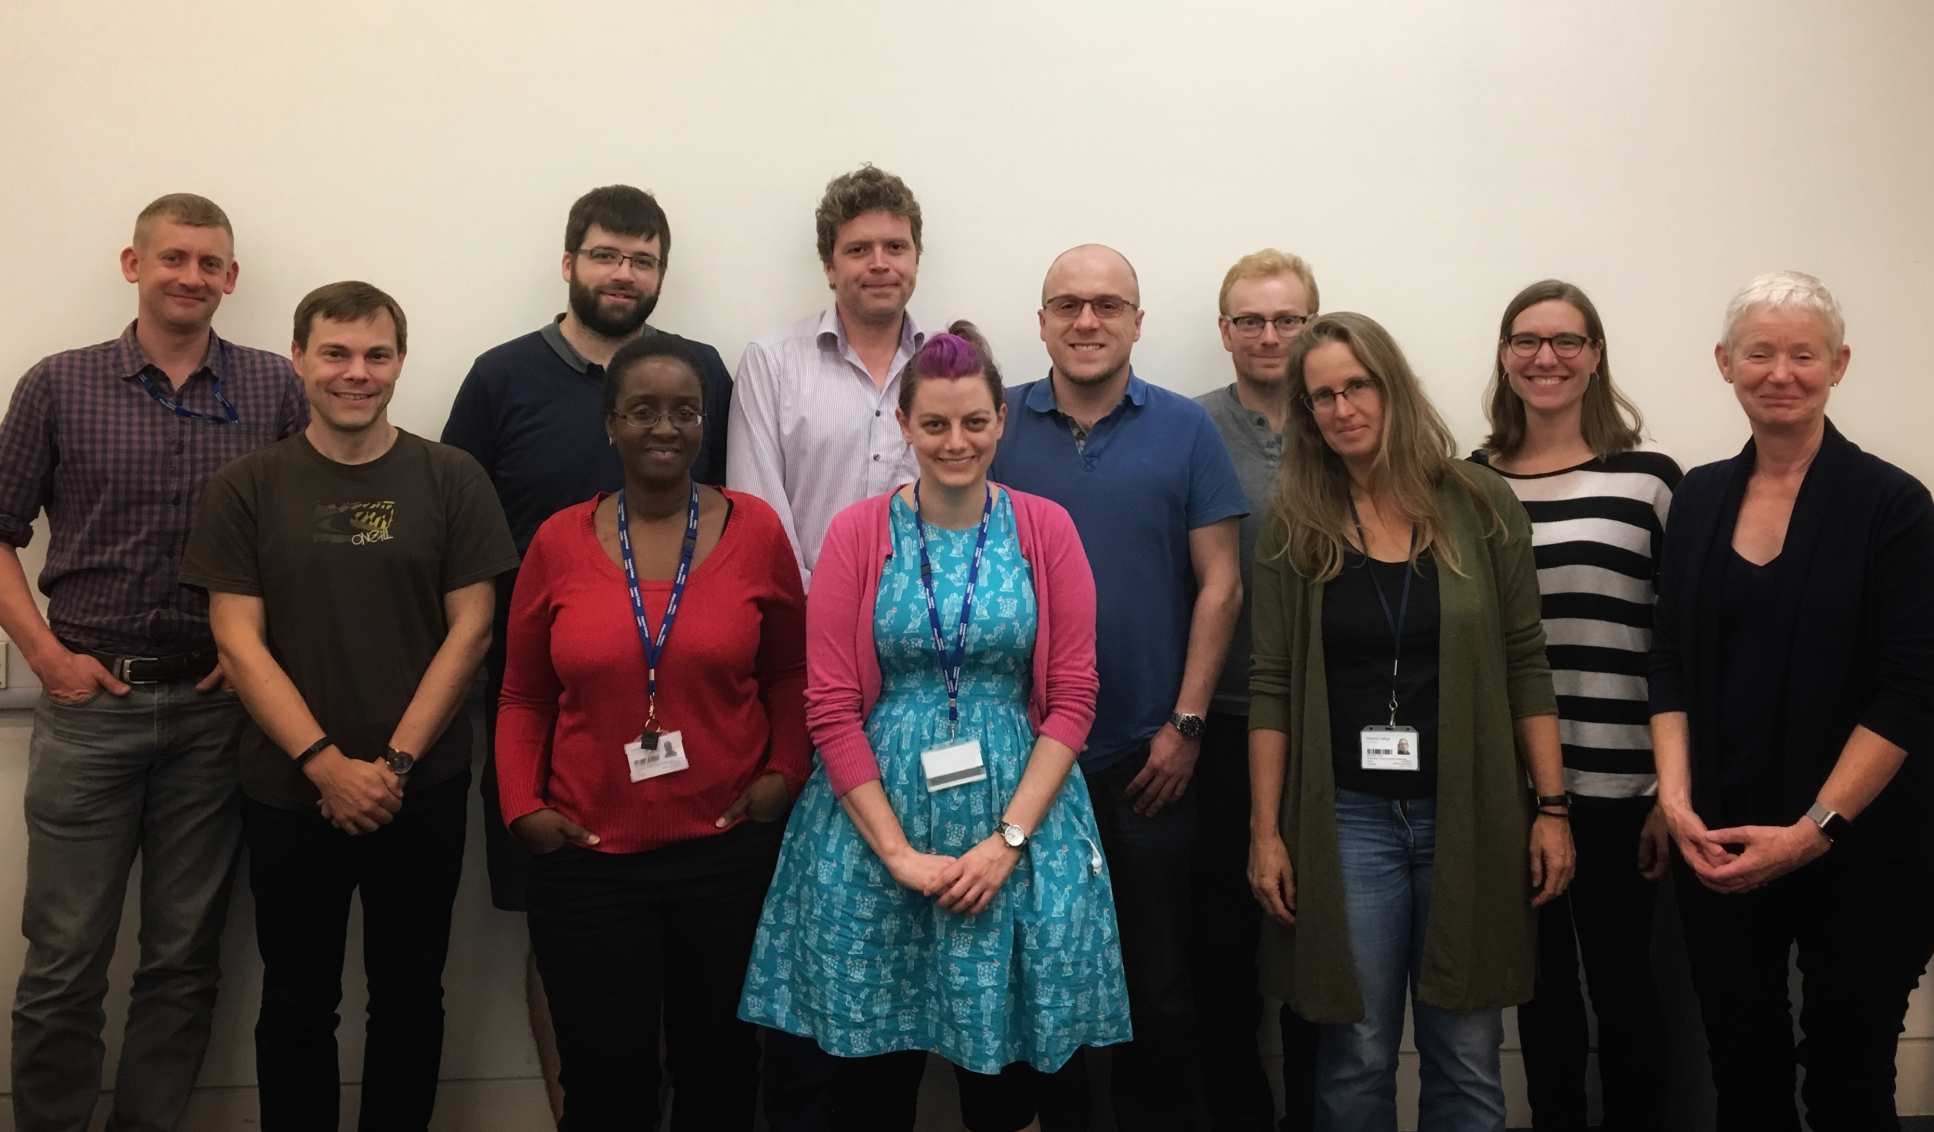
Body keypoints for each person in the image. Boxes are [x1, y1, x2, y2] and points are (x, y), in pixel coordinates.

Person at [740, 331, 1131, 1132]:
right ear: (904, 427)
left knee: (1010, 1078)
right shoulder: (857, 533)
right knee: (867, 1082)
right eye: (937, 426)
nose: (957, 443)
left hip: (1021, 831)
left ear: (1000, 424)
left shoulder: (1045, 528)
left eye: (976, 423)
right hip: (871, 834)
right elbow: (830, 705)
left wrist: (1006, 843)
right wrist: (898, 856)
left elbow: (1073, 700)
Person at [0, 193, 306, 1132]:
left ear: (232, 278)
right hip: (90, 702)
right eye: (174, 259)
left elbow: (304, 540)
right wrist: (45, 655)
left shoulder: (272, 389)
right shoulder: (60, 384)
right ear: (134, 266)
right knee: (62, 959)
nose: (192, 277)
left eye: (210, 263)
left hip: (216, 713)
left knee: (183, 959)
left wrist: (255, 653)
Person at [182, 282, 517, 1130]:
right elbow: (237, 641)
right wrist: (327, 767)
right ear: (299, 358)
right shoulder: (246, 486)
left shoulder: (452, 476)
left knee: (409, 998)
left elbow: (472, 630)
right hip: (289, 792)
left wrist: (392, 767)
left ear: (400, 362)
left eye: (376, 355)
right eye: (335, 353)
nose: (355, 373)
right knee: (296, 1002)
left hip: (422, 787)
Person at [439, 184, 733, 1115]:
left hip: (692, 715)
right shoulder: (501, 377)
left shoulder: (699, 373)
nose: (624, 274)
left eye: (643, 259)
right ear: (569, 263)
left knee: (687, 941)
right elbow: (458, 533)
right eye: (607, 254)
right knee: (563, 931)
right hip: (550, 705)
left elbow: (724, 522)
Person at [1246, 312, 1574, 1132]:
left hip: (1467, 810)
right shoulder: (1298, 519)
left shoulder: (1479, 501)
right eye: (1321, 396)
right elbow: (1273, 684)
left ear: (1393, 387)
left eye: (1357, 386)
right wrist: (1266, 832)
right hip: (1347, 817)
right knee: (1355, 1049)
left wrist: (1554, 808)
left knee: (1465, 1049)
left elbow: (1525, 660)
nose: (1342, 408)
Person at [495, 333, 807, 1129]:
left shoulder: (757, 531)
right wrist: (522, 808)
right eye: (643, 411)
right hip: (589, 863)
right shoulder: (559, 542)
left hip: (726, 854)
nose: (664, 428)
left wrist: (783, 778)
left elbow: (789, 675)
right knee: (606, 1087)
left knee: (724, 1075)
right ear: (610, 424)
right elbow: (523, 694)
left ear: (706, 424)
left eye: (684, 411)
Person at [1650, 271, 1934, 1131]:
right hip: (1722, 838)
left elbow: (1912, 689)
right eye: (1760, 352)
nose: (1781, 372)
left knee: (1849, 1077)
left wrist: (1815, 830)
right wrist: (1673, 799)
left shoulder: (1894, 505)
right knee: (1744, 1069)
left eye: (1802, 353)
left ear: (1838, 365)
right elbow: (1667, 662)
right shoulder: (1697, 496)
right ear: (1724, 364)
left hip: (1863, 841)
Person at [989, 244, 1247, 1130]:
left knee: (1160, 987)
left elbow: (1222, 583)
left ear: (1138, 321)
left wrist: (1187, 724)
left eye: (1108, 305)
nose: (1087, 321)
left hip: (1149, 756)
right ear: (1042, 322)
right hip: (1026, 764)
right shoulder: (996, 428)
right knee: (1035, 984)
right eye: (1067, 305)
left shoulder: (1185, 429)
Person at [1471, 280, 1680, 1132]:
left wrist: (1675, 792)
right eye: (1526, 341)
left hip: (1628, 786)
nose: (1545, 358)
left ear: (1595, 355)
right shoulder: (1470, 483)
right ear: (1505, 357)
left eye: (1566, 341)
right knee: (1542, 996)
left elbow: (1679, 647)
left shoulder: (1652, 481)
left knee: (1629, 993)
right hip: (1515, 791)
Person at [1192, 248, 1323, 1132]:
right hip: (1219, 727)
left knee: (1318, 955)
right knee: (1218, 955)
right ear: (1224, 331)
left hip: (1326, 732)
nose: (1269, 336)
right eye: (1251, 320)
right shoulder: (1190, 428)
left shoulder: (1350, 422)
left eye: (1288, 320)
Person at [727, 164, 929, 589]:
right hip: (806, 624)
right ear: (829, 267)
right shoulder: (772, 364)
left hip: (932, 631)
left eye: (895, 247)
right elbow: (759, 518)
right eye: (858, 250)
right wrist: (824, 609)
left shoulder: (949, 366)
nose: (879, 264)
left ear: (916, 258)